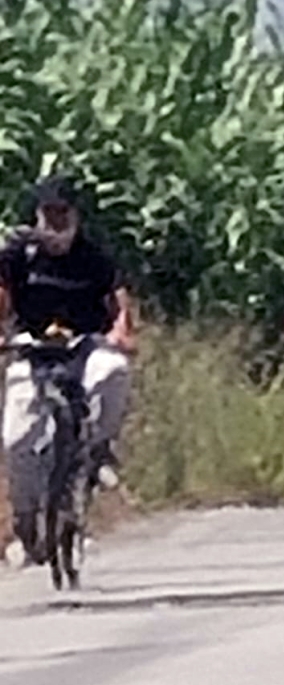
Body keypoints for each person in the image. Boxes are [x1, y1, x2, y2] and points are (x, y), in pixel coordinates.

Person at [0, 174, 136, 566]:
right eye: (50, 214)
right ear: (38, 216)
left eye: (64, 214)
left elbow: (120, 305)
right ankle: (26, 531)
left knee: (114, 370)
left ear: (76, 216)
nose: (57, 222)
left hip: (85, 348)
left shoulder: (94, 258)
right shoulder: (17, 256)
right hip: (32, 350)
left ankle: (98, 451)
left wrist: (120, 333)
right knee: (17, 441)